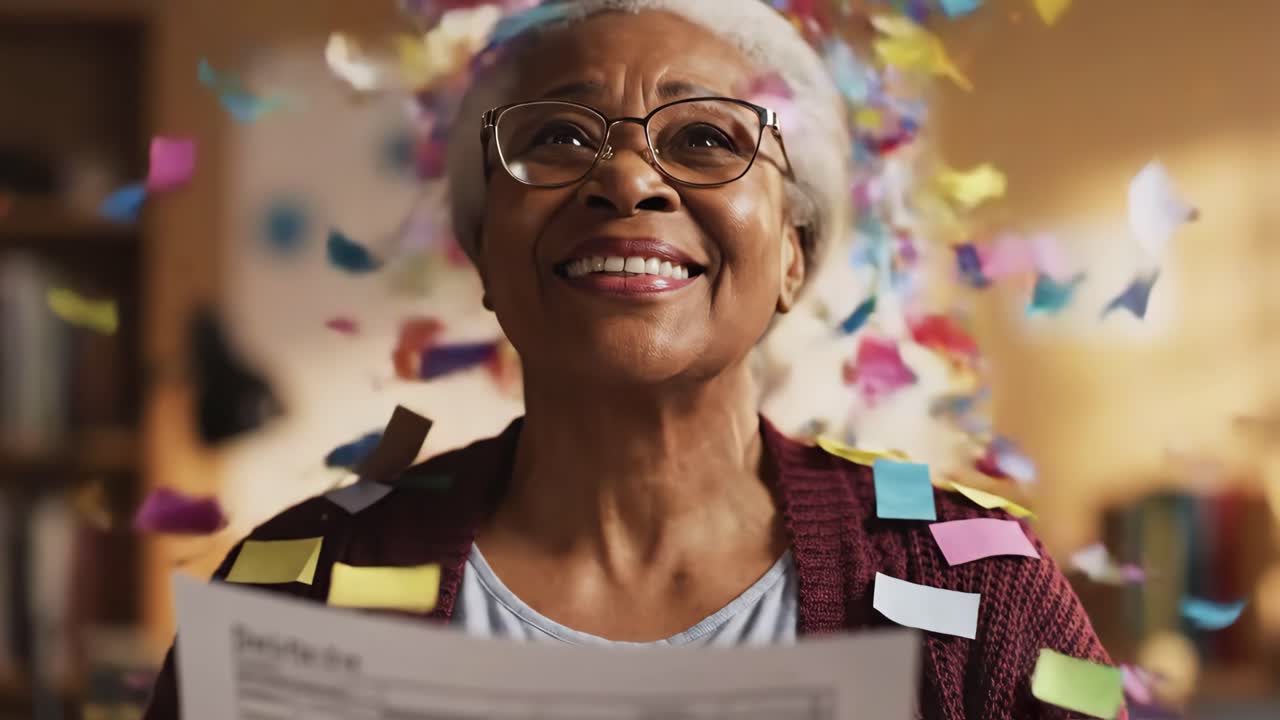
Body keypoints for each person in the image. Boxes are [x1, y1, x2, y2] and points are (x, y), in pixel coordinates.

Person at [144, 1, 1115, 717]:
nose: (625, 177)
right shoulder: (292, 586)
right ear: (483, 250)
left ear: (791, 257)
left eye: (703, 138)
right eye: (558, 136)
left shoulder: (972, 587)